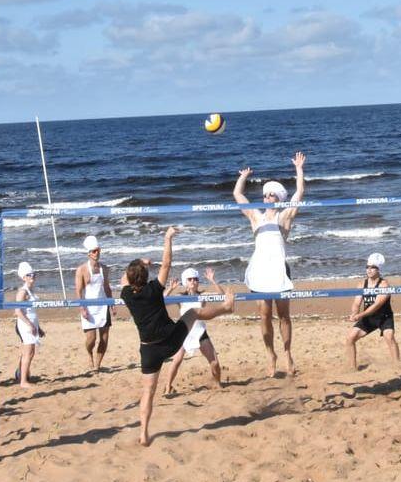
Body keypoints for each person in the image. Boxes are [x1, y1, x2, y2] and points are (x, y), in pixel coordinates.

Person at [119, 226, 235, 446]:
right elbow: (166, 264)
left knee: (148, 392)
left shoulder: (126, 294)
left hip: (149, 348)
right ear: (145, 277)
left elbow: (125, 277)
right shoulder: (154, 288)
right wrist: (167, 238)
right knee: (193, 312)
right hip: (169, 340)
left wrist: (140, 263)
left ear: (131, 279)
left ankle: (143, 433)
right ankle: (226, 308)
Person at [235, 151, 306, 376]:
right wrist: (243, 176)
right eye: (267, 195)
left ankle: (287, 354)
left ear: (279, 198)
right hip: (259, 271)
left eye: (273, 195)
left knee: (284, 315)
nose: (269, 198)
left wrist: (299, 168)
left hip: (279, 270)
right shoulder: (255, 217)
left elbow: (300, 193)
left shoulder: (283, 217)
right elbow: (237, 194)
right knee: (264, 315)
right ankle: (270, 354)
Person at [162, 267, 225, 395]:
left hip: (199, 331)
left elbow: (222, 296)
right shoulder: (180, 297)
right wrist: (170, 289)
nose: (193, 282)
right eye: (190, 279)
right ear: (186, 282)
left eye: (195, 279)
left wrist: (213, 281)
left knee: (215, 362)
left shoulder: (202, 296)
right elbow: (160, 302)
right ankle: (168, 386)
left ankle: (217, 382)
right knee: (177, 360)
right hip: (183, 332)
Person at [346, 253, 401, 370]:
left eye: (372, 267)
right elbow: (356, 303)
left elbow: (377, 305)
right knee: (350, 338)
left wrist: (360, 315)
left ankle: (398, 365)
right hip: (369, 318)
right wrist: (354, 313)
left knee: (389, 336)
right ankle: (352, 367)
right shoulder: (362, 284)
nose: (369, 270)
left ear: (379, 269)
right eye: (367, 267)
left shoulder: (384, 284)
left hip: (384, 317)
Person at [74, 235, 113, 372]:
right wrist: (82, 308)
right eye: (94, 251)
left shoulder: (104, 268)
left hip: (103, 306)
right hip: (89, 307)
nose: (97, 253)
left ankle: (97, 365)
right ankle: (89, 354)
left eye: (98, 250)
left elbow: (107, 288)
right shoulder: (82, 270)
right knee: (91, 338)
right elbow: (79, 290)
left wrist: (112, 304)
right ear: (89, 253)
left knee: (104, 338)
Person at [13, 262, 44, 388]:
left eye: (33, 275)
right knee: (28, 352)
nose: (32, 277)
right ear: (24, 277)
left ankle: (21, 374)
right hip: (25, 324)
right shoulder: (23, 292)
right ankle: (23, 381)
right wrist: (30, 324)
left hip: (31, 322)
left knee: (29, 351)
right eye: (29, 275)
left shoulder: (31, 290)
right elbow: (17, 311)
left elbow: (32, 311)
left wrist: (38, 327)